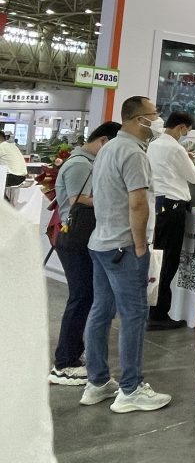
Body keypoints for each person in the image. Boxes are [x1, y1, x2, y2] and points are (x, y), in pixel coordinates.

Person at [81, 96, 171, 413]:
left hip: (101, 242)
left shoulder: (108, 148)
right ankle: (130, 388)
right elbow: (137, 203)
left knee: (101, 311)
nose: (158, 120)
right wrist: (140, 244)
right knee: (134, 315)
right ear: (138, 119)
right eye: (154, 114)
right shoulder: (133, 153)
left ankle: (97, 382)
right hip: (123, 247)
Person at [49, 122, 121, 386]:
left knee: (85, 297)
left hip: (80, 237)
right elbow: (78, 200)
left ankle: (71, 355)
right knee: (81, 297)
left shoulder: (87, 162)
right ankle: (64, 363)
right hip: (74, 237)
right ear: (104, 142)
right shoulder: (81, 164)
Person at [146, 111, 195, 330]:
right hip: (173, 208)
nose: (185, 134)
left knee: (158, 258)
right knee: (169, 261)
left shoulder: (154, 145)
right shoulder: (175, 148)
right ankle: (159, 315)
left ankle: (152, 309)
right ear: (181, 127)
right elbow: (194, 177)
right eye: (186, 130)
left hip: (158, 205)